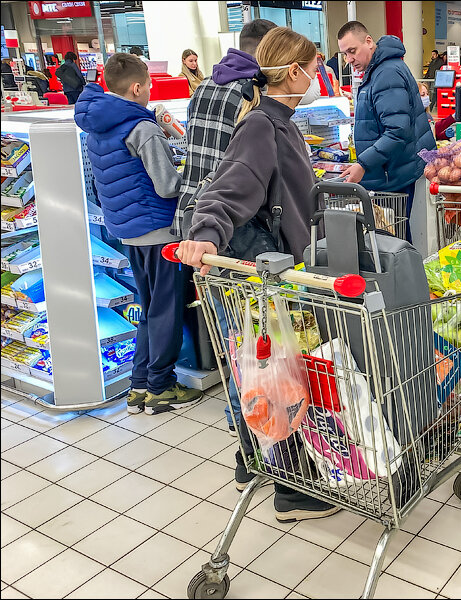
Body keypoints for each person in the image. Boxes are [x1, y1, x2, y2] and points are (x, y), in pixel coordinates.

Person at [176, 27, 342, 523]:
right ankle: (292, 492)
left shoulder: (280, 121)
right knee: (279, 379)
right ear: (293, 71)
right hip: (265, 277)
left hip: (280, 270)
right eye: (313, 70)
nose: (317, 78)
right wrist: (206, 231)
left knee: (263, 372)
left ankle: (253, 462)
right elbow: (230, 187)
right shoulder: (262, 126)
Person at [74, 54, 203, 416]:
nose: (149, 91)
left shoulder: (97, 126)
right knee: (166, 310)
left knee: (149, 310)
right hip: (159, 232)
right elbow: (166, 186)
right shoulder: (142, 128)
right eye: (147, 85)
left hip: (127, 231)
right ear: (136, 87)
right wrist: (192, 179)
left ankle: (140, 387)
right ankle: (161, 388)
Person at [176, 19, 277, 238]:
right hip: (230, 218)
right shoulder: (254, 92)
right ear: (269, 49)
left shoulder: (203, 85)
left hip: (192, 209)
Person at [337, 20, 436, 241]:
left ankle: (405, 277)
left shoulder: (386, 74)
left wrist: (363, 164)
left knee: (393, 242)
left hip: (393, 175)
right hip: (391, 171)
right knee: (393, 238)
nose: (349, 59)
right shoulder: (380, 70)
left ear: (369, 41)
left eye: (352, 51)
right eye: (344, 54)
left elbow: (397, 131)